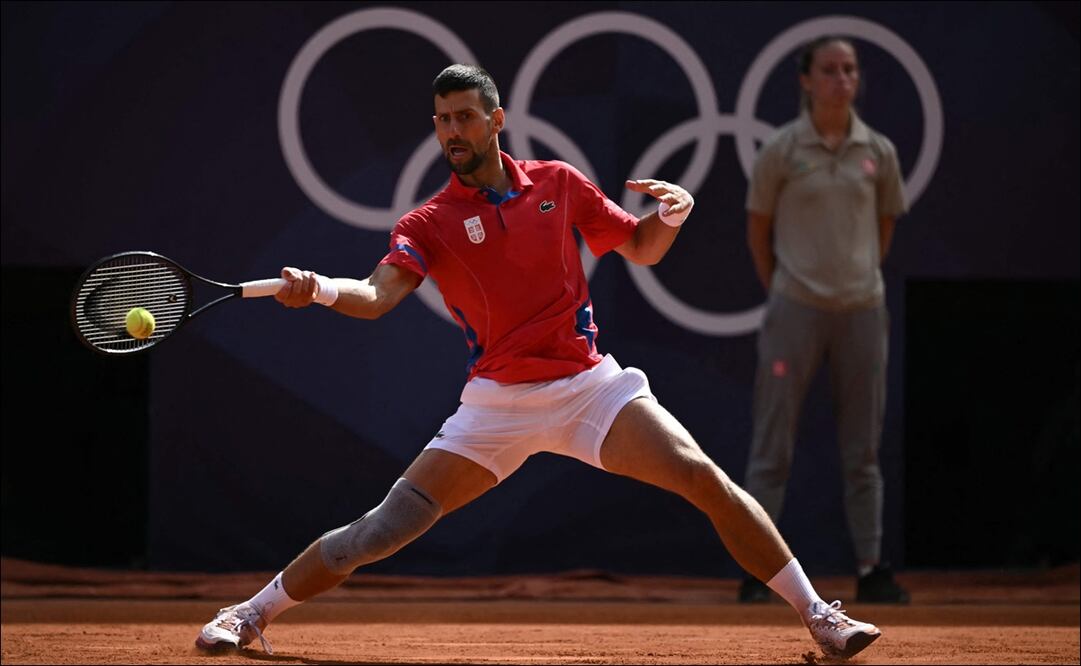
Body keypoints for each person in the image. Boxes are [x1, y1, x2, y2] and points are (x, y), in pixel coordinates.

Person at [195, 64, 882, 660]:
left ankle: (819, 616)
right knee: (377, 534)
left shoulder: (557, 183)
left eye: (465, 117)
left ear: (497, 119)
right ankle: (248, 614)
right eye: (441, 121)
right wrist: (315, 288)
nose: (452, 132)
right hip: (495, 407)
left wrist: (671, 216)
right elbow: (375, 297)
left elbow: (639, 247)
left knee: (703, 478)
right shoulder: (427, 223)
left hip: (590, 389)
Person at [738, 37, 910, 604]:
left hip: (862, 309)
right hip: (796, 310)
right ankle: (759, 570)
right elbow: (758, 229)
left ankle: (871, 566)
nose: (843, 79)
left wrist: (855, 278)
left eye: (851, 70)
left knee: (863, 447)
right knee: (772, 444)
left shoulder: (877, 151)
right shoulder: (782, 151)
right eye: (831, 70)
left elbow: (885, 227)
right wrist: (790, 289)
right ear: (806, 81)